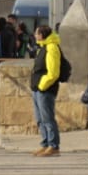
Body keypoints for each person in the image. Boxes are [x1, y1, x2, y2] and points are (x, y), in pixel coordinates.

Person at [31, 23, 64, 157]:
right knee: (40, 118)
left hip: (45, 89)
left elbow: (53, 72)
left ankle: (53, 145)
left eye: (36, 33)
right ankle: (45, 143)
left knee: (47, 118)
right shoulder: (42, 47)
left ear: (41, 35)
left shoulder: (51, 48)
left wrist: (42, 85)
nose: (34, 35)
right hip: (37, 88)